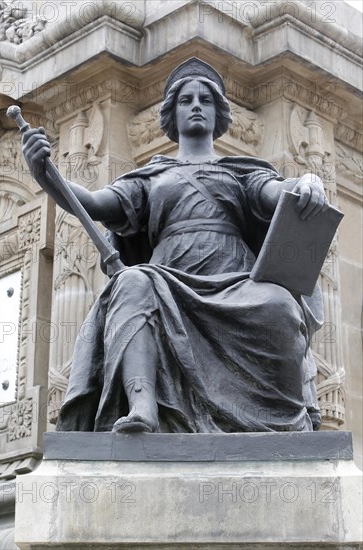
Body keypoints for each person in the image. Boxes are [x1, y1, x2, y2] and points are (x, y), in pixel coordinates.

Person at [22, 58, 327, 434]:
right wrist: (46, 175)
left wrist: (305, 181)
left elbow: (273, 194)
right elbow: (96, 203)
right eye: (186, 100)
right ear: (172, 112)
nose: (196, 105)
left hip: (234, 279)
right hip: (167, 277)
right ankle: (142, 405)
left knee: (280, 306)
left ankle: (285, 424)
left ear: (218, 112)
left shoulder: (241, 171)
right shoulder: (151, 176)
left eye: (205, 99)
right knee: (132, 283)